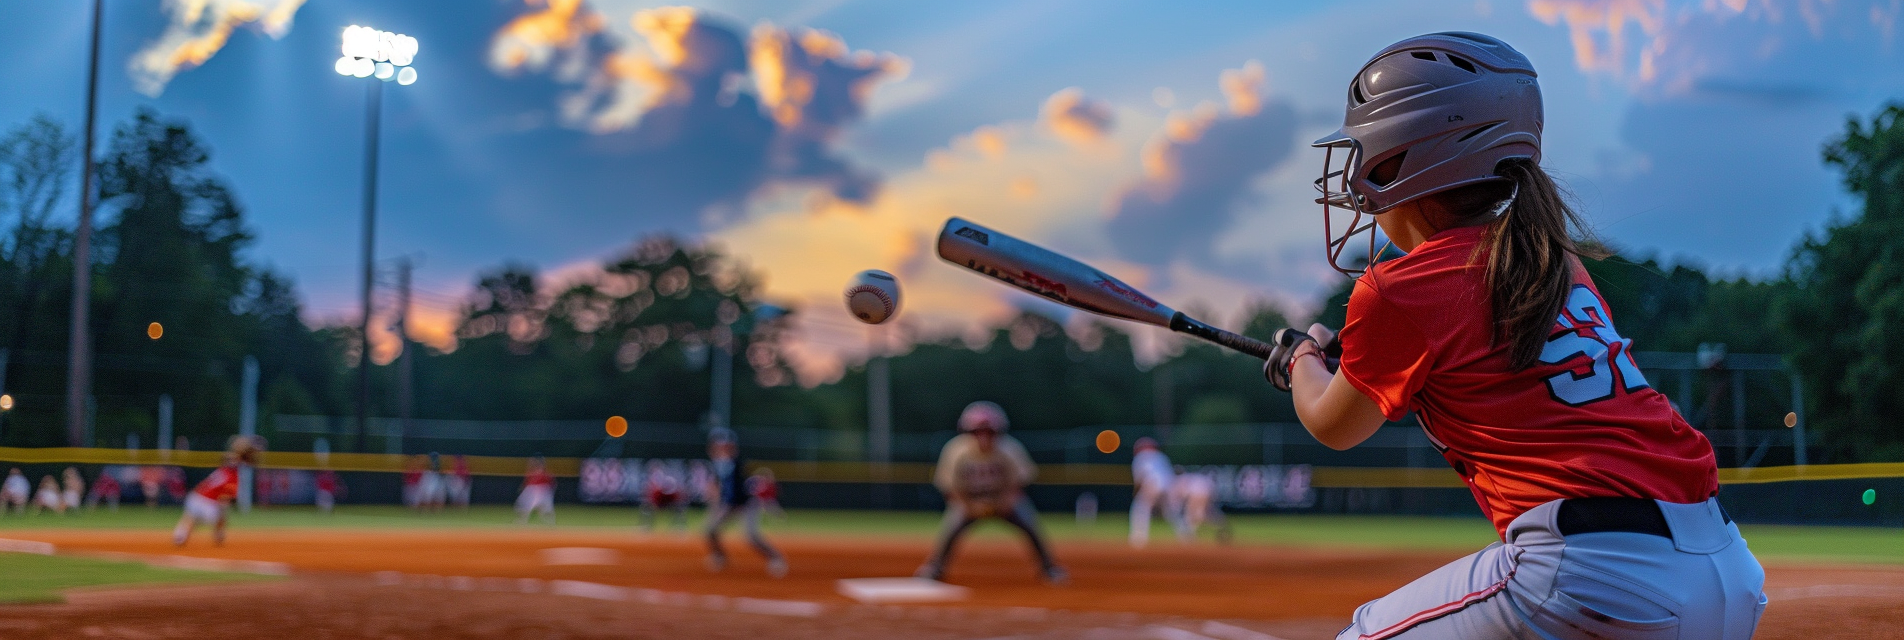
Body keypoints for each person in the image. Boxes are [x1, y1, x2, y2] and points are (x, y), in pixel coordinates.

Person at [1267, 32, 1763, 639]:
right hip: (1725, 567)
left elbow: (1331, 423)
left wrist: (1303, 358)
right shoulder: (1553, 262)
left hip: (1594, 571)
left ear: (1405, 157)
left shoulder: (1398, 287)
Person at [916, 401, 1065, 585]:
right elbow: (950, 488)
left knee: (1031, 525)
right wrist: (969, 506)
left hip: (1004, 500)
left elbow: (1018, 484)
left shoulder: (1010, 449)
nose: (983, 437)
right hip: (969, 501)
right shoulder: (955, 451)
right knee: (950, 527)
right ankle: (935, 567)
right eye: (977, 432)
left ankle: (1049, 567)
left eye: (989, 432)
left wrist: (1003, 502)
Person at [702, 428, 787, 578]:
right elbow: (719, 487)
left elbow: (751, 485)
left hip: (746, 504)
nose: (720, 449)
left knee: (751, 537)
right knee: (710, 531)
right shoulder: (718, 464)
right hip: (730, 504)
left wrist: (768, 505)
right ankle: (720, 557)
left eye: (724, 446)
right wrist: (716, 505)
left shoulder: (737, 464)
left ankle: (776, 558)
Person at [173, 436, 265, 546]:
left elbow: (230, 457)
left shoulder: (225, 468)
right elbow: (224, 500)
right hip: (208, 503)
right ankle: (218, 534)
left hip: (195, 496)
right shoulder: (232, 477)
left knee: (192, 517)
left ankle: (181, 534)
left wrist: (241, 452)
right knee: (221, 511)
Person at [1127, 437, 1184, 547]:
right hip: (1169, 485)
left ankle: (1138, 539)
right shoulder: (1162, 457)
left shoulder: (1140, 457)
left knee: (1140, 507)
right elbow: (1170, 475)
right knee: (1172, 512)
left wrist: (1136, 492)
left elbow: (1140, 479)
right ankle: (1186, 538)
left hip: (1153, 483)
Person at [1169, 467, 1231, 545]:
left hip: (1197, 492)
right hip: (1207, 489)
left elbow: (1181, 495)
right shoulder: (1190, 476)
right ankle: (1222, 526)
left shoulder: (1179, 480)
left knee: (1192, 516)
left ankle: (1188, 538)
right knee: (1204, 514)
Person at [639, 460, 686, 533]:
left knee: (679, 508)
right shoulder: (653, 481)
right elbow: (651, 496)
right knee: (646, 508)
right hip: (659, 500)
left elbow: (677, 495)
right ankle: (648, 527)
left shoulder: (668, 479)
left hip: (669, 500)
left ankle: (679, 526)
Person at [515, 456, 555, 524]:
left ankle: (550, 522)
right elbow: (527, 483)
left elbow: (552, 484)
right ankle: (523, 520)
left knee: (544, 508)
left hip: (541, 491)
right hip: (533, 491)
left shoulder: (545, 474)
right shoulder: (531, 473)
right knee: (526, 506)